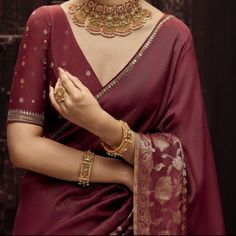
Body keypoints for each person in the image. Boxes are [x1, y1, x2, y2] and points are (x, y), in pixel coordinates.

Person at [6, 0, 225, 234]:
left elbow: (185, 162)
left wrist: (99, 123)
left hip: (134, 216)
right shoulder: (46, 22)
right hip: (53, 217)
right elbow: (22, 148)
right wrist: (119, 172)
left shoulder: (173, 37)